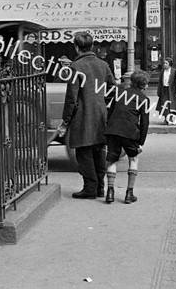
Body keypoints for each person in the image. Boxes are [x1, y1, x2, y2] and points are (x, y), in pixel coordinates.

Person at [57, 32, 115, 199]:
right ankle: (100, 187)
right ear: (92, 45)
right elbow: (113, 88)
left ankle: (90, 187)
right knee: (99, 150)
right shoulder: (103, 65)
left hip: (83, 114)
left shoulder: (75, 67)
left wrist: (66, 120)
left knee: (84, 152)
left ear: (76, 47)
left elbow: (71, 97)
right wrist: (103, 102)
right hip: (100, 113)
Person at [104, 70, 150, 204]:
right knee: (133, 159)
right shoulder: (144, 99)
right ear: (144, 85)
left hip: (113, 131)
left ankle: (110, 192)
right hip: (130, 133)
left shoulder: (119, 93)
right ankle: (129, 193)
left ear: (132, 82)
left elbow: (110, 112)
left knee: (112, 160)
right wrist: (140, 142)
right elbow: (144, 123)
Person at [157, 57, 176, 125]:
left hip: (171, 90)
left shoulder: (174, 71)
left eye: (166, 63)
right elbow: (160, 81)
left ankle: (171, 118)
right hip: (164, 89)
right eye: (164, 63)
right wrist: (159, 90)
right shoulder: (162, 71)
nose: (165, 64)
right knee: (164, 104)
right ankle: (166, 118)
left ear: (170, 64)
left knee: (171, 104)